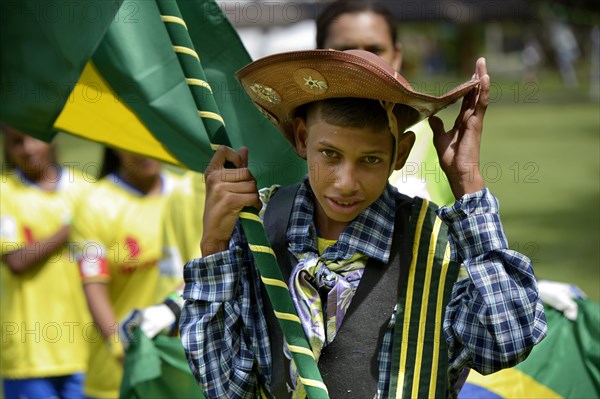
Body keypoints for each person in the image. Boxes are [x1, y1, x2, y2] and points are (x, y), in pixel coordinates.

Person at [179, 49, 547, 398]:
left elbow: (508, 340)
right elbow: (224, 387)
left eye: (370, 159)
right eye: (330, 155)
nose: (345, 182)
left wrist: (468, 184)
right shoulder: (259, 228)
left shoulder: (439, 244)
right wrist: (213, 246)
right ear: (302, 138)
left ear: (399, 153)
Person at [315, 0, 455, 206]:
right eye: (346, 50)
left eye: (374, 50)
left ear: (397, 57)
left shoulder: (437, 143)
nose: (362, 62)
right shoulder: (294, 137)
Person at [71, 148, 183, 399]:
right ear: (114, 145)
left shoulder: (185, 194)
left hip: (181, 369)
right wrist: (120, 347)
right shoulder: (94, 204)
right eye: (132, 144)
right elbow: (94, 288)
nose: (145, 152)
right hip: (118, 376)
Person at [0, 126, 92, 399]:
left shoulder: (86, 189)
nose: (27, 149)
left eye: (32, 137)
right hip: (29, 353)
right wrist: (72, 227)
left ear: (51, 137)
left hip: (87, 348)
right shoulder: (4, 193)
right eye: (16, 142)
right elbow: (16, 261)